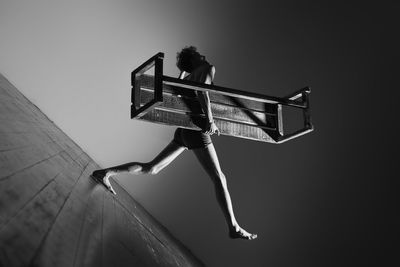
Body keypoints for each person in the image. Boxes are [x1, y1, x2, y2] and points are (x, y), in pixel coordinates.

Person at [92, 46, 257, 240]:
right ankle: (234, 227)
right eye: (195, 53)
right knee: (219, 177)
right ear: (194, 58)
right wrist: (210, 120)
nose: (200, 53)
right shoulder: (207, 68)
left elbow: (178, 91)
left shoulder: (190, 75)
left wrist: (183, 72)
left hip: (183, 131)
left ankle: (105, 173)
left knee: (152, 168)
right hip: (195, 130)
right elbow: (202, 91)